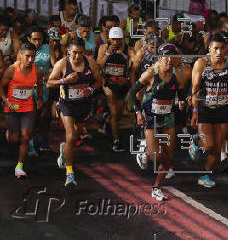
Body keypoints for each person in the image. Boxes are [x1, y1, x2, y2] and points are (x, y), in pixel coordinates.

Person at [128, 43, 190, 200]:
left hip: (168, 117)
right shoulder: (151, 73)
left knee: (169, 157)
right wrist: (138, 113)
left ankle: (156, 187)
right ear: (160, 58)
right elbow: (132, 92)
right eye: (166, 57)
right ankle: (144, 151)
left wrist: (182, 101)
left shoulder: (177, 74)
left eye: (172, 57)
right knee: (155, 156)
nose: (169, 60)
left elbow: (180, 92)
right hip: (151, 118)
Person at [47, 38, 102, 186]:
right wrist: (64, 81)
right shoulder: (62, 64)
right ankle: (69, 173)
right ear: (68, 51)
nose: (77, 56)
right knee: (71, 136)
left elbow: (99, 81)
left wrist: (90, 89)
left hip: (83, 105)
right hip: (67, 105)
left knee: (75, 136)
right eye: (74, 53)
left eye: (80, 53)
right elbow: (49, 83)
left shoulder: (90, 62)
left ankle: (64, 150)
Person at [189, 34, 228, 188]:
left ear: (226, 49)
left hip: (222, 109)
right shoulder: (201, 64)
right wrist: (194, 112)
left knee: (217, 150)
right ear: (209, 49)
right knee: (209, 146)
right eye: (216, 48)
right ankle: (196, 143)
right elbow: (195, 90)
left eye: (222, 48)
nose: (219, 52)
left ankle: (204, 175)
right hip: (205, 109)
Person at [0, 42, 43, 179]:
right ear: (20, 55)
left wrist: (40, 98)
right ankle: (9, 134)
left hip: (28, 107)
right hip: (12, 108)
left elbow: (40, 84)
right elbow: (1, 87)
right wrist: (7, 101)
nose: (30, 60)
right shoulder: (12, 70)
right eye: (27, 56)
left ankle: (19, 166)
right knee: (14, 139)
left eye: (33, 57)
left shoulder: (37, 71)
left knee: (25, 136)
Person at [97, 27, 130, 152]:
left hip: (122, 84)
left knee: (119, 114)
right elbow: (98, 65)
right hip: (108, 84)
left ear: (122, 39)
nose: (115, 42)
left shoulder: (127, 50)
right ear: (109, 39)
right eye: (113, 39)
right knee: (115, 111)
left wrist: (126, 80)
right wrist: (107, 53)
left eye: (118, 39)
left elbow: (134, 66)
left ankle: (107, 120)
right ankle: (116, 141)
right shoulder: (103, 48)